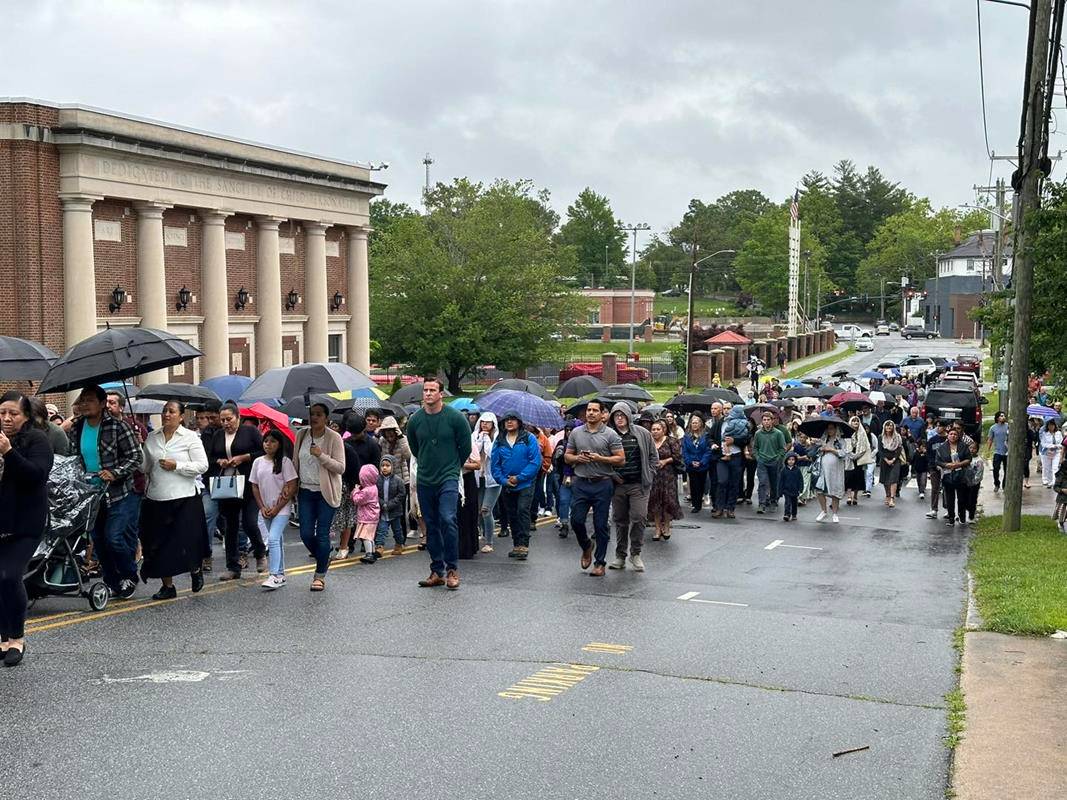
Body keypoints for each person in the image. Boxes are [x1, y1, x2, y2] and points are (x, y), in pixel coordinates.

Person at [68, 385, 143, 599]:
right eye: (82, 400)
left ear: (102, 404)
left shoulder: (118, 427)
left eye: (89, 400)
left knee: (114, 538)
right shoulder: (77, 427)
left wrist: (115, 472)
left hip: (119, 493)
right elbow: (74, 458)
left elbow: (135, 458)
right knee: (99, 541)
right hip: (91, 493)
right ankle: (112, 581)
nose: (84, 404)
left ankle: (129, 575)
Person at [0, 391, 54, 667]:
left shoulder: (37, 439)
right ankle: (3, 636)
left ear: (26, 416)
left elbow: (36, 475)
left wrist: (8, 452)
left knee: (9, 576)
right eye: (2, 413)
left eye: (13, 413)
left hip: (26, 522)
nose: (7, 418)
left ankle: (17, 638)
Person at [406, 377, 475, 590]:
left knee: (448, 518)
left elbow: (465, 447)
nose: (428, 394)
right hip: (426, 477)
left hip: (448, 476)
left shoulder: (455, 418)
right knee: (431, 525)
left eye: (432, 390)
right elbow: (415, 447)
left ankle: (452, 568)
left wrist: (453, 466)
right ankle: (437, 570)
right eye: (425, 390)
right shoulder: (416, 419)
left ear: (441, 394)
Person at [138, 400, 209, 600]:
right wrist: (139, 447)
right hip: (157, 497)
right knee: (159, 544)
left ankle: (195, 570)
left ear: (181, 416)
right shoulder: (152, 437)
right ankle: (167, 586)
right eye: (164, 411)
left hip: (184, 497)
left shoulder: (190, 438)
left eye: (171, 411)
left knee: (187, 540)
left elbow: (202, 465)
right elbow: (143, 468)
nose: (166, 415)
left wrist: (176, 465)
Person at [207, 403, 267, 582]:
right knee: (230, 527)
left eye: (229, 419)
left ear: (238, 417)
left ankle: (259, 552)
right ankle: (233, 567)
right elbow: (209, 457)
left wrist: (244, 457)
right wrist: (220, 461)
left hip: (249, 484)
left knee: (249, 522)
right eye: (223, 420)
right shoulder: (218, 435)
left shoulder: (250, 432)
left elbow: (263, 451)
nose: (226, 423)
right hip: (227, 485)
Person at [565, 399, 625, 577]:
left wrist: (600, 458)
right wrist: (577, 459)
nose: (590, 413)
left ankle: (600, 563)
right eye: (588, 410)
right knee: (576, 520)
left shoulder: (610, 434)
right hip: (581, 482)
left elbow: (620, 459)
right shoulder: (576, 432)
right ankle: (586, 545)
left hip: (602, 483)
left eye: (594, 410)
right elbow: (567, 456)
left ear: (602, 414)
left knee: (601, 526)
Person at [293, 402, 345, 591]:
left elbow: (340, 467)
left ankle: (320, 575)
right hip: (305, 490)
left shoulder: (334, 438)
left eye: (318, 414)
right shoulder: (302, 435)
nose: (314, 418)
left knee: (322, 534)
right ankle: (324, 555)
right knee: (306, 533)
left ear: (326, 418)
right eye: (311, 414)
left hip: (326, 492)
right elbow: (295, 462)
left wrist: (321, 455)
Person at [607, 402, 656, 572]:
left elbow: (653, 456)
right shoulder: (609, 435)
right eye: (616, 415)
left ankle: (636, 553)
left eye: (622, 415)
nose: (619, 418)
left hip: (639, 484)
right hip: (618, 485)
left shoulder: (642, 433)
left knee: (639, 517)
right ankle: (620, 556)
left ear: (628, 416)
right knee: (620, 520)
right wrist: (613, 476)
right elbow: (605, 460)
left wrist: (650, 473)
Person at [249, 430, 298, 590]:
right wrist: (262, 506)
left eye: (272, 441)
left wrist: (277, 508)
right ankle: (281, 574)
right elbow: (255, 486)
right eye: (266, 441)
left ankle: (274, 574)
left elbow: (291, 486)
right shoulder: (257, 462)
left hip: (281, 509)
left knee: (273, 538)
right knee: (277, 540)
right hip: (266, 508)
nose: (268, 444)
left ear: (279, 444)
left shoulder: (284, 462)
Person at [489, 411, 541, 561]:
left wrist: (519, 478)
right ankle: (516, 544)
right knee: (512, 513)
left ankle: (524, 544)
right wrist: (504, 481)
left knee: (522, 510)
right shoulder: (499, 441)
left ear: (519, 422)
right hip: (507, 484)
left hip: (526, 483)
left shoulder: (528, 438)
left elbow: (535, 462)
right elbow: (495, 466)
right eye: (506, 420)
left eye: (512, 420)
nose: (509, 422)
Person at [195, 401, 223, 573]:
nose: (211, 421)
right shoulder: (207, 434)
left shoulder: (235, 432)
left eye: (213, 417)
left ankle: (241, 552)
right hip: (210, 482)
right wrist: (218, 460)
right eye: (208, 418)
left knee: (236, 522)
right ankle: (206, 554)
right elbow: (205, 459)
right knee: (207, 516)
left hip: (232, 482)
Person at [647, 419, 683, 541]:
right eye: (653, 429)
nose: (655, 432)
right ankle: (657, 528)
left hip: (668, 476)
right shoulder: (649, 442)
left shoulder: (671, 441)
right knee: (655, 502)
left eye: (658, 429)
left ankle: (666, 526)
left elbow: (677, 457)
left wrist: (665, 461)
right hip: (653, 476)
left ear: (664, 430)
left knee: (668, 501)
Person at [472, 412, 501, 553]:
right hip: (479, 478)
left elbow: (492, 454)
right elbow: (474, 453)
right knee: (478, 509)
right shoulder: (475, 435)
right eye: (482, 421)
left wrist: (486, 439)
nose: (485, 424)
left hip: (493, 479)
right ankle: (483, 534)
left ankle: (489, 541)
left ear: (493, 424)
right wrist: (480, 438)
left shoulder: (497, 438)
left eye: (488, 422)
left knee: (486, 510)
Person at [714, 406, 751, 518]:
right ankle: (719, 507)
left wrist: (734, 441)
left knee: (734, 483)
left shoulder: (744, 424)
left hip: (737, 456)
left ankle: (730, 508)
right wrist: (713, 444)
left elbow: (747, 439)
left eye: (728, 408)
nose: (727, 411)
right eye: (725, 408)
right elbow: (710, 436)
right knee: (722, 481)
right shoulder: (721, 423)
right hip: (722, 457)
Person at [812, 422, 847, 523]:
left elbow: (843, 453)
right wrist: (821, 449)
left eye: (832, 428)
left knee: (835, 491)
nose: (830, 430)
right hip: (823, 469)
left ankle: (835, 513)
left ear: (836, 429)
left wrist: (831, 449)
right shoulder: (823, 440)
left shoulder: (841, 441)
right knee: (819, 490)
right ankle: (824, 510)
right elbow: (817, 452)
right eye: (828, 429)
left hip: (836, 470)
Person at [936, 428, 972, 526]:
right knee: (949, 498)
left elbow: (969, 459)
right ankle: (951, 518)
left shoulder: (963, 446)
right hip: (948, 476)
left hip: (961, 476)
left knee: (961, 498)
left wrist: (959, 464)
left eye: (955, 434)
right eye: (951, 434)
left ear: (958, 436)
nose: (953, 436)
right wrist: (947, 465)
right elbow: (937, 461)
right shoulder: (942, 447)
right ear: (948, 435)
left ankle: (962, 517)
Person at [754, 411, 788, 515]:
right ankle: (762, 503)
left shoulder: (778, 433)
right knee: (763, 482)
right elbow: (755, 447)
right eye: (764, 420)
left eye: (768, 420)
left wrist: (778, 458)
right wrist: (758, 457)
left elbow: (783, 448)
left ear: (772, 421)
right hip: (762, 461)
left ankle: (773, 499)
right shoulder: (758, 433)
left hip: (775, 461)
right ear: (762, 422)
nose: (766, 422)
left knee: (774, 483)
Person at [375, 455, 407, 557]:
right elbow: (375, 494)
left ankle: (399, 544)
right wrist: (382, 503)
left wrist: (390, 504)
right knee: (381, 530)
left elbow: (401, 495)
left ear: (393, 467)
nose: (384, 467)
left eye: (387, 465)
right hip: (383, 511)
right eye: (382, 465)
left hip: (395, 511)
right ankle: (379, 546)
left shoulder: (398, 480)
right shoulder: (377, 480)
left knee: (397, 530)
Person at [681, 414, 711, 514]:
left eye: (696, 423)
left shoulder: (705, 435)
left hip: (702, 464)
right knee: (694, 485)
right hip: (691, 465)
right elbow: (685, 451)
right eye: (693, 423)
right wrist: (690, 462)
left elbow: (708, 450)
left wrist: (702, 462)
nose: (694, 425)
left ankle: (700, 500)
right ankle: (696, 504)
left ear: (700, 424)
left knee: (701, 484)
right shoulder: (687, 436)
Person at [351, 464, 381, 563]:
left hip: (367, 517)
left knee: (365, 536)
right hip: (373, 516)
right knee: (370, 536)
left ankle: (369, 554)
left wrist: (355, 490)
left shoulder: (366, 491)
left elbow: (357, 500)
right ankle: (372, 552)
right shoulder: (374, 487)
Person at [843, 416, 872, 506]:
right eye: (853, 421)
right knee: (848, 477)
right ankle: (849, 496)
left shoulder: (862, 434)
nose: (855, 422)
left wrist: (857, 455)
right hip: (849, 458)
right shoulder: (846, 433)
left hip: (859, 459)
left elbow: (865, 447)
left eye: (857, 421)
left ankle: (855, 496)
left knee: (858, 477)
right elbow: (844, 446)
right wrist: (851, 455)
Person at [925, 420, 948, 519]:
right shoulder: (932, 440)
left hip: (947, 467)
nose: (938, 428)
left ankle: (948, 509)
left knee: (947, 489)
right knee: (935, 488)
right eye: (937, 426)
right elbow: (929, 454)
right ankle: (934, 509)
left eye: (940, 426)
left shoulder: (948, 439)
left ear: (945, 427)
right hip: (934, 468)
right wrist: (933, 466)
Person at [877, 420, 903, 508]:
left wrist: (893, 459)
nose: (889, 427)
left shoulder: (897, 437)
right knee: (885, 479)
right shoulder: (881, 437)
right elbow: (880, 450)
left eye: (891, 426)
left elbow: (899, 449)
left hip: (895, 459)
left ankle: (892, 498)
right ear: (884, 427)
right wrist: (886, 460)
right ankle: (887, 494)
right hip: (884, 460)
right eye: (887, 426)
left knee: (893, 479)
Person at [984, 412, 1009, 493]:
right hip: (997, 452)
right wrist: (988, 450)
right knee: (996, 469)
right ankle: (996, 484)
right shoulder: (993, 428)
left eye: (1004, 416)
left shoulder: (1008, 426)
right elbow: (990, 440)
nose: (1003, 417)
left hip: (1007, 452)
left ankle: (1005, 485)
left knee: (1007, 470)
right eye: (1001, 416)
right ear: (997, 418)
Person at [1039, 419, 1063, 488]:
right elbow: (1043, 443)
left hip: (1057, 452)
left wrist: (1056, 446)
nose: (1051, 427)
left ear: (1055, 426)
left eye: (1052, 425)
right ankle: (1048, 481)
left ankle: (1054, 482)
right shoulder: (1044, 434)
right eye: (1049, 425)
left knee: (1055, 467)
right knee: (1047, 467)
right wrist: (1051, 446)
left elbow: (1061, 443)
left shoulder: (1058, 433)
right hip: (1047, 452)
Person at [779, 452, 802, 521]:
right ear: (786, 461)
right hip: (787, 490)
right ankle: (787, 514)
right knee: (787, 503)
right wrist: (780, 491)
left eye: (793, 459)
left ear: (795, 461)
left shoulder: (797, 470)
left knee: (794, 503)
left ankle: (794, 514)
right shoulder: (783, 470)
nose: (791, 461)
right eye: (789, 459)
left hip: (795, 490)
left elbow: (800, 480)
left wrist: (800, 488)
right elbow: (781, 481)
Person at [1053, 456, 1067, 531]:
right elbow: (1055, 487)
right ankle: (1060, 524)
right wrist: (1062, 490)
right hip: (1062, 500)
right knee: (1062, 513)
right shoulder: (1060, 476)